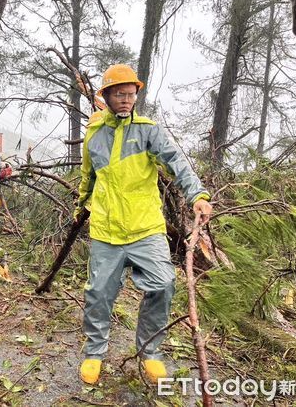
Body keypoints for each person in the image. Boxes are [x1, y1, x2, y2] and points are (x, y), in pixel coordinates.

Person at [74, 64, 213, 385]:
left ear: (136, 95)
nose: (125, 100)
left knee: (164, 285)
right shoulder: (94, 135)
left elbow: (177, 162)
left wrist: (197, 195)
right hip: (106, 232)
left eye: (130, 94)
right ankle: (94, 353)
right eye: (118, 94)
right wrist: (81, 206)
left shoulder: (148, 130)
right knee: (98, 295)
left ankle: (149, 351)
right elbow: (88, 177)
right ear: (105, 96)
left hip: (146, 229)